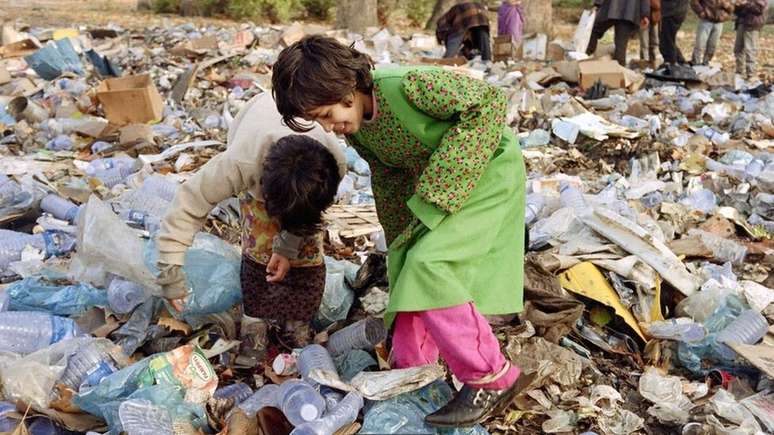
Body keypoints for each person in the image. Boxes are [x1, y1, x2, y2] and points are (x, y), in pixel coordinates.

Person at [272, 35, 531, 427]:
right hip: (438, 185)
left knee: (430, 265)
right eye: (320, 121)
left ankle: (490, 376)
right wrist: (399, 240)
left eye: (327, 113)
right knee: (408, 266)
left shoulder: (406, 87)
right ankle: (412, 374)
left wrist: (440, 186)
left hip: (486, 173)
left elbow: (489, 103)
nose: (331, 126)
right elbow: (389, 178)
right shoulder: (359, 131)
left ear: (345, 88)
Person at [155, 92, 345, 359]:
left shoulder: (332, 163)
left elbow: (307, 215)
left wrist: (288, 247)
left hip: (298, 176)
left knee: (308, 250)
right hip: (258, 149)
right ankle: (254, 319)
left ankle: (296, 321)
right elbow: (188, 204)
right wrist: (170, 273)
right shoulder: (240, 164)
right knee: (259, 244)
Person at [587, 0, 651, 66]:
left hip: (611, 7)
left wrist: (597, 4)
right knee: (621, 46)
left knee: (593, 30)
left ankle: (585, 56)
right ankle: (619, 71)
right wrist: (645, 14)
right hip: (629, 11)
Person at [690, 0, 735, 65]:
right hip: (706, 20)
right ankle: (695, 63)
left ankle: (706, 63)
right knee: (700, 44)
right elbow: (694, 2)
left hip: (719, 22)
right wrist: (700, 12)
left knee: (712, 46)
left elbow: (732, 9)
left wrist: (727, 6)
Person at [734, 0, 769, 78]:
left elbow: (760, 9)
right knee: (738, 49)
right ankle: (739, 73)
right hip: (741, 23)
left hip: (752, 25)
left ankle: (750, 74)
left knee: (750, 50)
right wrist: (737, 5)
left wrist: (745, 3)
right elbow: (737, 12)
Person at [659, 0, 689, 65]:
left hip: (671, 11)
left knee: (666, 40)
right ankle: (680, 61)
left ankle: (671, 62)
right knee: (668, 39)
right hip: (678, 10)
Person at [639, 0, 661, 66]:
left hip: (655, 16)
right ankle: (644, 63)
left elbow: (657, 5)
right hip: (643, 16)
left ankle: (653, 62)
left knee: (654, 41)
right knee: (644, 43)